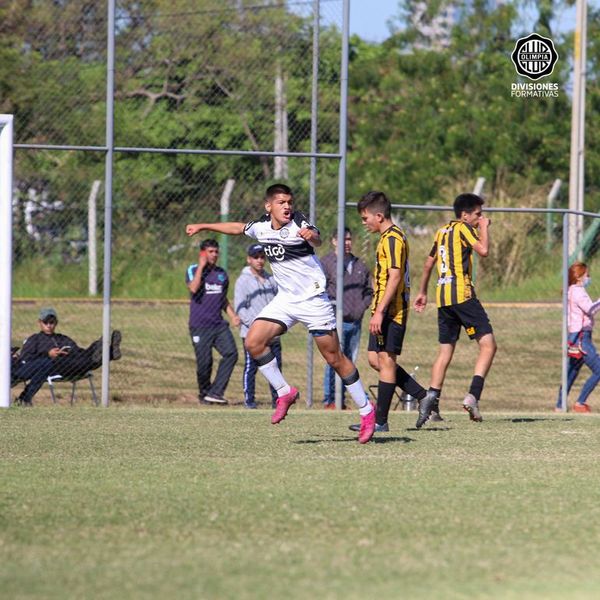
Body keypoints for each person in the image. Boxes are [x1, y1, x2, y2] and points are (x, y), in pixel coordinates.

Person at [186, 183, 376, 443]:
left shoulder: (299, 222)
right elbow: (237, 228)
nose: (287, 206)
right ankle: (284, 391)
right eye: (281, 202)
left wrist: (311, 236)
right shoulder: (262, 227)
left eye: (289, 202)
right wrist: (203, 226)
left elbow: (316, 236)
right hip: (286, 300)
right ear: (269, 206)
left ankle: (367, 411)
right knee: (253, 341)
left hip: (313, 300)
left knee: (335, 358)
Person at [349, 191, 436, 434]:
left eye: (365, 218)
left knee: (386, 361)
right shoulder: (386, 237)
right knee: (374, 359)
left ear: (379, 216)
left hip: (392, 311)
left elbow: (395, 276)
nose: (363, 222)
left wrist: (381, 312)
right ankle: (422, 395)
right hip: (382, 309)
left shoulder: (393, 238)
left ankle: (380, 421)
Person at [413, 192, 496, 425]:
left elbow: (429, 262)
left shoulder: (442, 231)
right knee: (488, 345)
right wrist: (484, 228)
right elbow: (483, 250)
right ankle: (473, 396)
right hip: (462, 295)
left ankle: (432, 407)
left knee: (445, 352)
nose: (481, 218)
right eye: (478, 215)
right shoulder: (463, 228)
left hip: (443, 298)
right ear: (465, 215)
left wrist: (422, 291)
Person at [13, 307, 122, 405]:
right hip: (53, 367)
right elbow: (26, 359)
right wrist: (48, 354)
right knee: (90, 361)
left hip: (73, 365)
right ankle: (109, 352)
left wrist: (69, 352)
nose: (49, 325)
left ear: (56, 323)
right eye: (46, 322)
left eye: (52, 322)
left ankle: (100, 346)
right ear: (40, 322)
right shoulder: (35, 339)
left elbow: (78, 351)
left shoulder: (62, 338)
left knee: (86, 355)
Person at [320, 227, 373, 409]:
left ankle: (342, 399)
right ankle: (330, 400)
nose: (347, 243)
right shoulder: (326, 263)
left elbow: (369, 291)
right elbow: (321, 289)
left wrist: (361, 307)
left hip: (355, 322)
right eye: (343, 239)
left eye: (349, 239)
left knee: (349, 361)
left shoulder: (359, 265)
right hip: (335, 321)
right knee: (334, 360)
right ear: (334, 241)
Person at [186, 239, 240, 405]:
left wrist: (232, 315)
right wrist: (201, 267)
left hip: (218, 325)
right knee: (205, 363)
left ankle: (215, 392)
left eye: (216, 252)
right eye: (210, 252)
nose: (214, 255)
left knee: (231, 353)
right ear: (202, 253)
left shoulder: (222, 274)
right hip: (199, 326)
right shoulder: (193, 270)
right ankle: (204, 394)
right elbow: (193, 288)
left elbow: (222, 299)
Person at [234, 243, 281, 409]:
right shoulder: (243, 281)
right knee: (251, 368)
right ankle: (250, 400)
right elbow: (241, 309)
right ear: (249, 259)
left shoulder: (271, 280)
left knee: (275, 367)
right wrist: (257, 328)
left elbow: (279, 302)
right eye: (256, 257)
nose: (260, 260)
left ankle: (279, 400)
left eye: (262, 257)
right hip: (252, 334)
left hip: (272, 334)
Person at [555, 262, 600, 413]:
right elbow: (590, 309)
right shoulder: (578, 291)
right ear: (579, 277)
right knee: (598, 370)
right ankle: (580, 402)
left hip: (575, 335)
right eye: (587, 275)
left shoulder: (571, 290)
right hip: (581, 337)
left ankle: (560, 405)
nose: (589, 278)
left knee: (572, 371)